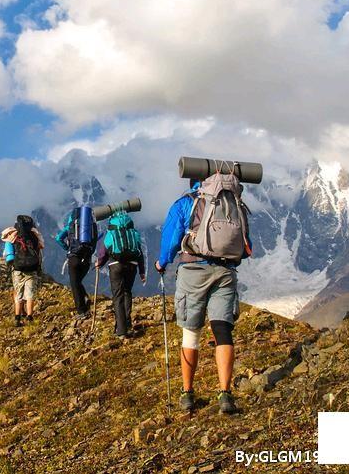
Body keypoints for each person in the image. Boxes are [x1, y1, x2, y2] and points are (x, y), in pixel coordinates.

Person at [154, 173, 253, 415]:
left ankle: (188, 393)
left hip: (193, 271)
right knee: (222, 330)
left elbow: (171, 237)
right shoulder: (233, 201)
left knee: (191, 332)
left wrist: (162, 261)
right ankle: (225, 394)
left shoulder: (187, 202)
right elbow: (246, 245)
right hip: (225, 271)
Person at [95, 211, 146, 339]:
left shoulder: (111, 234)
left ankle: (121, 330)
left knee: (118, 296)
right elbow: (139, 253)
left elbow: (103, 252)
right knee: (127, 292)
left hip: (116, 265)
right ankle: (127, 324)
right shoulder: (133, 234)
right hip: (132, 265)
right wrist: (142, 271)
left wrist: (99, 263)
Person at [2, 214, 45, 327]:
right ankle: (30, 317)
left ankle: (17, 318)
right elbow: (39, 252)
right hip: (32, 269)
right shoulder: (34, 236)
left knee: (18, 293)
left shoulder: (12, 236)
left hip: (17, 269)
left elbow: (7, 255)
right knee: (30, 294)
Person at [55, 206, 97, 318]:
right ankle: (85, 297)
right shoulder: (92, 227)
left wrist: (67, 248)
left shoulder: (70, 226)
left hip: (73, 258)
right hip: (87, 258)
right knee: (78, 281)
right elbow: (94, 243)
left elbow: (58, 238)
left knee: (74, 283)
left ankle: (81, 311)